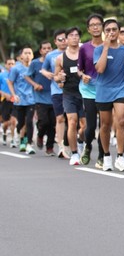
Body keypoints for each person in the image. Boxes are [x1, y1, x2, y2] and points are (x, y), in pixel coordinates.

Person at [94, 18, 124, 171]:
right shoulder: (99, 50)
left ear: (118, 31)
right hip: (104, 90)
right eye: (108, 30)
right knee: (105, 125)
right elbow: (100, 69)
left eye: (114, 29)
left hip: (121, 88)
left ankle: (120, 156)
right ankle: (106, 156)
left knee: (122, 120)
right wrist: (105, 48)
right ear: (104, 33)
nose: (111, 32)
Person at [55, 27, 85, 166]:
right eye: (71, 35)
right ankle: (74, 154)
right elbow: (56, 77)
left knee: (85, 126)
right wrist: (59, 77)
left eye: (76, 35)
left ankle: (80, 142)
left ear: (79, 38)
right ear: (66, 39)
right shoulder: (60, 58)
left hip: (85, 93)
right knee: (72, 121)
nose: (74, 37)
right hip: (69, 93)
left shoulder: (84, 54)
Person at [78, 13, 105, 167]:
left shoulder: (108, 46)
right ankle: (88, 146)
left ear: (102, 27)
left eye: (98, 24)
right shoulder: (84, 48)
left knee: (104, 125)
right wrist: (83, 76)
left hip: (106, 90)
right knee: (91, 125)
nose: (95, 27)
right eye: (92, 25)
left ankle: (102, 154)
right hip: (89, 90)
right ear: (88, 29)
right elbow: (79, 69)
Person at [41, 30, 70, 159]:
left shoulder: (74, 52)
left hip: (72, 90)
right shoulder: (50, 55)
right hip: (57, 91)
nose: (63, 41)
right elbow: (43, 69)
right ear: (55, 42)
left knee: (73, 120)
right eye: (60, 39)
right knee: (60, 118)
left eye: (65, 39)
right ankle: (61, 146)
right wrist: (46, 73)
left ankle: (75, 144)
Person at [25, 41, 56, 156]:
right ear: (40, 51)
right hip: (40, 98)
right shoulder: (35, 63)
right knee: (44, 121)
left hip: (54, 96)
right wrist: (35, 84)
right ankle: (40, 135)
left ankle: (50, 148)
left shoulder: (55, 61)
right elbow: (27, 76)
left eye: (49, 48)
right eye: (44, 48)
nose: (47, 50)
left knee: (52, 124)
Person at [7, 47, 35, 154]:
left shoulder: (35, 67)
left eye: (29, 53)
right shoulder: (16, 69)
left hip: (32, 99)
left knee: (29, 122)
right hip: (19, 100)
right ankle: (22, 138)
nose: (27, 55)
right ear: (21, 56)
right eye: (25, 53)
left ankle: (29, 144)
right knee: (21, 123)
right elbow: (10, 82)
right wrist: (14, 95)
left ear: (32, 55)